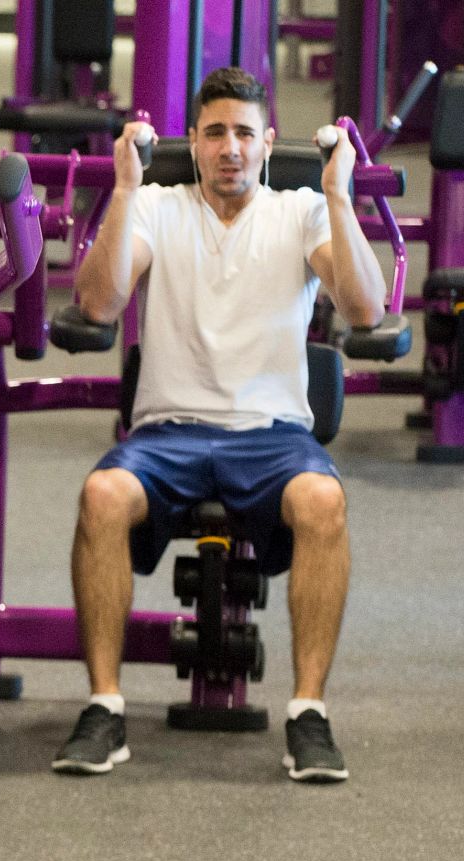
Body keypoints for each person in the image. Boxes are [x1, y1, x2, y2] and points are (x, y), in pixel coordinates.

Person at [54, 67, 387, 782]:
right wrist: (122, 189)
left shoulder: (301, 211)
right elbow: (98, 304)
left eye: (243, 133)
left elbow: (366, 309)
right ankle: (104, 706)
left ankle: (309, 714)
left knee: (324, 501)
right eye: (214, 134)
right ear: (193, 143)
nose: (229, 148)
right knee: (102, 496)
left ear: (267, 142)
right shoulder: (155, 206)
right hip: (168, 433)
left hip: (273, 435)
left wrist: (338, 194)